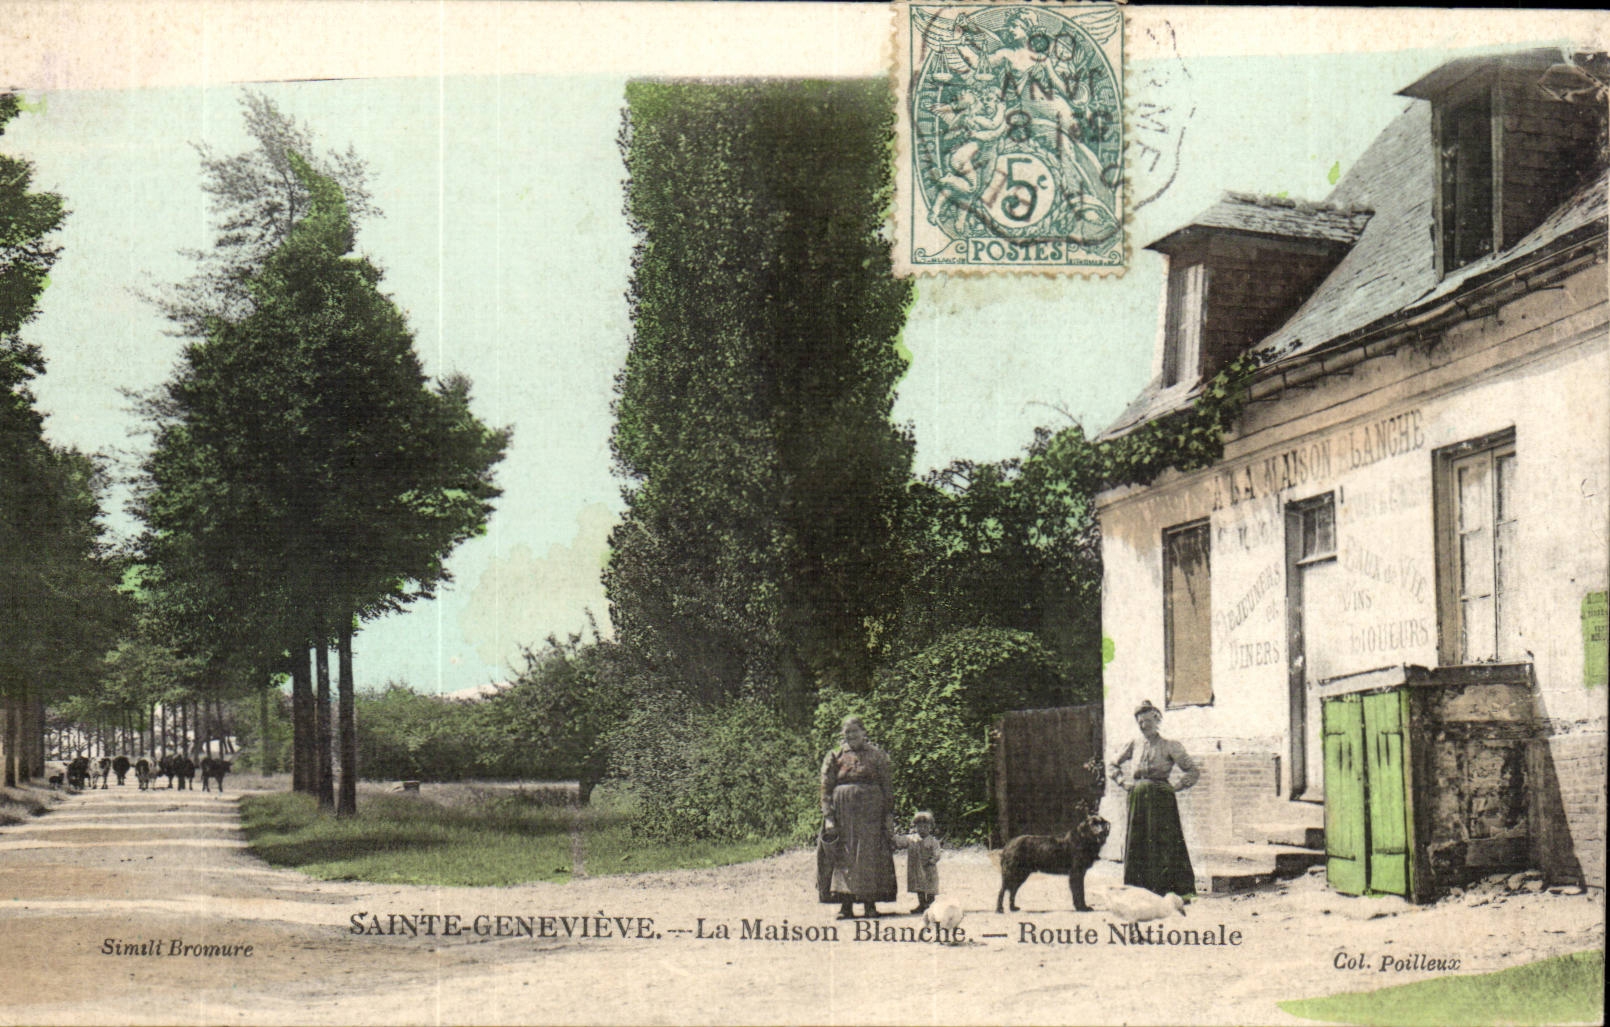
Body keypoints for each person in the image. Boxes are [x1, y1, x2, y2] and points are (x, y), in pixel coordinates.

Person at [1109, 700, 1199, 897]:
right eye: (1140, 722)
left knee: (1165, 841)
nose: (1143, 726)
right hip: (1138, 798)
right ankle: (1137, 888)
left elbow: (1192, 771)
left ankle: (1171, 888)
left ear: (1157, 720)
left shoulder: (1170, 746)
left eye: (1148, 721)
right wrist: (1124, 783)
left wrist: (1176, 787)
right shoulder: (1133, 744)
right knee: (1137, 841)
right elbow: (1112, 765)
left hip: (1161, 799)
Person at [817, 716, 898, 919]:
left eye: (855, 731)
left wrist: (888, 814)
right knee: (843, 855)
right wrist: (829, 817)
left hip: (871, 814)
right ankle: (846, 906)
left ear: (864, 732)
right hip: (843, 815)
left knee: (871, 855)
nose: (851, 735)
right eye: (847, 732)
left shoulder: (877, 755)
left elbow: (887, 787)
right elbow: (825, 788)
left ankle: (870, 905)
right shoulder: (835, 755)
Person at [892, 811, 942, 914]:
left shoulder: (932, 841)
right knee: (919, 887)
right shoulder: (912, 839)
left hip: (928, 868)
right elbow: (900, 841)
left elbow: (937, 853)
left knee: (930, 887)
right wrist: (892, 837)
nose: (922, 829)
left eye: (925, 827)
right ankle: (922, 904)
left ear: (930, 827)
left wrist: (932, 860)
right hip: (916, 868)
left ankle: (931, 905)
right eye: (919, 827)